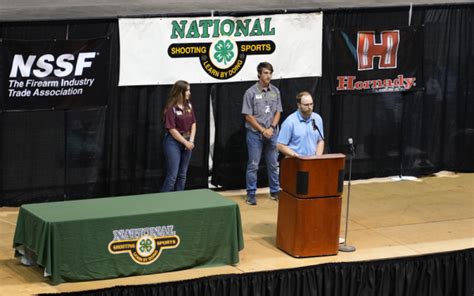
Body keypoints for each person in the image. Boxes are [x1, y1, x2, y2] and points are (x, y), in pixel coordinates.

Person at [241, 62, 283, 205]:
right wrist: (262, 130)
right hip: (255, 134)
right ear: (259, 74)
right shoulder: (251, 92)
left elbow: (278, 111)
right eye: (265, 73)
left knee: (273, 164)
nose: (268, 76)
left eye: (270, 73)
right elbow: (247, 116)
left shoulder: (275, 91)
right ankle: (251, 194)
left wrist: (271, 127)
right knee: (253, 164)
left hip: (272, 133)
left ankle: (275, 191)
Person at [161, 80, 196, 192]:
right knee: (172, 176)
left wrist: (190, 141)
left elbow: (193, 123)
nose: (189, 93)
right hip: (173, 142)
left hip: (187, 141)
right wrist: (185, 143)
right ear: (180, 92)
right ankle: (163, 201)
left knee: (183, 174)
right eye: (187, 90)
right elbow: (171, 129)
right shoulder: (171, 108)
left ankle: (179, 200)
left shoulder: (189, 105)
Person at [277, 91, 324, 157]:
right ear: (299, 105)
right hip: (295, 162)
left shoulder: (317, 119)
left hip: (313, 162)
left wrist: (317, 158)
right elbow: (280, 145)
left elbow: (320, 141)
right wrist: (297, 156)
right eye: (306, 105)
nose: (310, 107)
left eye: (311, 104)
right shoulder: (289, 122)